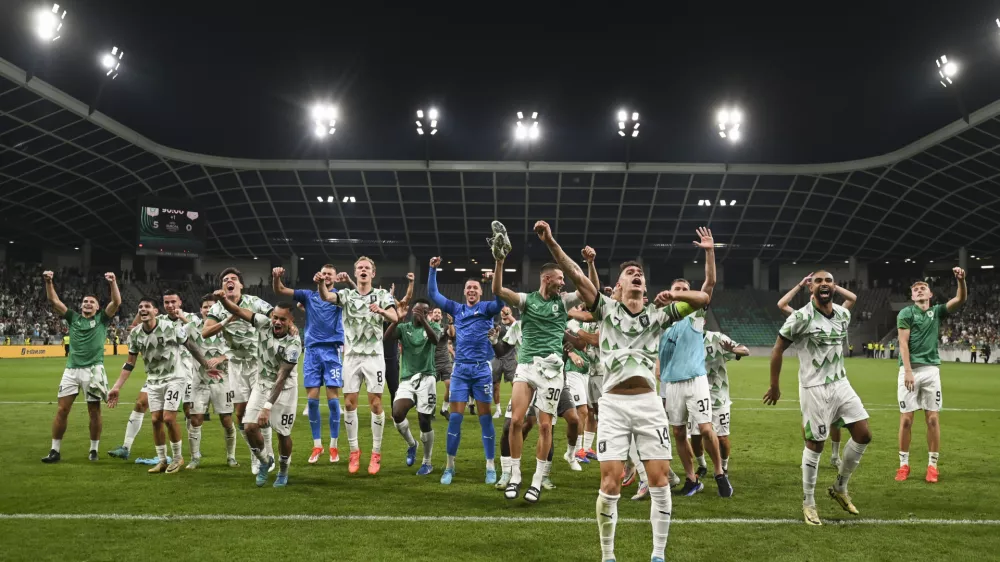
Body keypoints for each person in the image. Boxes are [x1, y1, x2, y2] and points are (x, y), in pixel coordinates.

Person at [592, 259, 709, 562]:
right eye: (630, 273)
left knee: (659, 480)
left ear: (645, 288)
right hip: (613, 405)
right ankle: (608, 556)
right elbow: (579, 278)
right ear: (618, 285)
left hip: (648, 403)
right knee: (610, 482)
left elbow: (703, 299)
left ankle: (658, 556)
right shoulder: (605, 309)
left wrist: (677, 296)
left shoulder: (658, 315)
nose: (637, 276)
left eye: (640, 274)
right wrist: (552, 242)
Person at [492, 221, 598, 503]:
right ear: (547, 278)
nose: (563, 282)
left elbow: (591, 291)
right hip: (526, 366)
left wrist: (589, 266)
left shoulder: (563, 303)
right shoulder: (527, 301)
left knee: (544, 426)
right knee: (515, 421)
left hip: (552, 372)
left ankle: (537, 482)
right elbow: (499, 289)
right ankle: (515, 476)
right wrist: (499, 260)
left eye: (564, 279)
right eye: (560, 278)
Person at [766, 270, 872, 526]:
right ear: (810, 288)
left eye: (828, 281)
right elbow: (778, 349)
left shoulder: (842, 315)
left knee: (863, 434)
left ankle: (839, 487)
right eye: (818, 281)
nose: (824, 284)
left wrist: (836, 290)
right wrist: (775, 386)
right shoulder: (800, 317)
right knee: (815, 445)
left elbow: (851, 300)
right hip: (814, 388)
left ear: (834, 286)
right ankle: (809, 503)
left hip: (841, 384)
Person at [657, 227, 732, 498]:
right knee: (678, 433)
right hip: (671, 383)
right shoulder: (661, 320)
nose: (681, 292)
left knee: (705, 427)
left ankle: (719, 472)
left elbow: (709, 284)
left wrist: (709, 251)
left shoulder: (696, 315)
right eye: (677, 289)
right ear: (668, 292)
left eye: (685, 290)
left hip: (696, 379)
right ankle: (691, 479)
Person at [108, 297, 216, 474]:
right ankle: (161, 460)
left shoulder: (171, 328)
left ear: (156, 311)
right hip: (153, 380)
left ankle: (177, 458)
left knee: (168, 417)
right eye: (140, 307)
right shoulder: (135, 334)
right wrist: (117, 386)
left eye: (147, 307)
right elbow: (130, 363)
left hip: (176, 377)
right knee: (155, 419)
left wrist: (205, 365)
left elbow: (190, 346)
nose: (143, 309)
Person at [427, 254, 503, 485]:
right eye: (468, 287)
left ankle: (490, 466)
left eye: (475, 288)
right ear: (464, 292)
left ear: (481, 292)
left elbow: (501, 302)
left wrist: (494, 281)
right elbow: (433, 294)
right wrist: (432, 270)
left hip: (481, 371)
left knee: (486, 420)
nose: (471, 290)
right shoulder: (456, 309)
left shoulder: (488, 308)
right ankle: (449, 466)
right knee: (455, 420)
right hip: (460, 370)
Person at [318, 257, 398, 475]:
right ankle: (354, 451)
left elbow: (395, 316)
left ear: (373, 273)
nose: (363, 270)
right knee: (350, 403)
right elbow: (326, 296)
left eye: (367, 268)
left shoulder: (382, 295)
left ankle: (376, 453)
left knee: (375, 404)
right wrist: (319, 283)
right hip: (352, 357)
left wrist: (382, 312)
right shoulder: (345, 295)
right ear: (355, 273)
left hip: (374, 357)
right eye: (360, 268)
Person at [212, 294, 302, 487]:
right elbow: (237, 310)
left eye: (282, 319)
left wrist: (267, 407)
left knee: (283, 433)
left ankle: (283, 470)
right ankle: (264, 461)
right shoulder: (262, 323)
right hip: (262, 384)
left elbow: (282, 377)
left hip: (285, 389)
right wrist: (221, 299)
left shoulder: (294, 344)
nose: (277, 321)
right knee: (250, 426)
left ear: (291, 321)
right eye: (275, 317)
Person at [778, 273, 857, 469]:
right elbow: (781, 305)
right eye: (817, 287)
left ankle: (834, 455)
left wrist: (832, 286)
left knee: (836, 422)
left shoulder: (837, 313)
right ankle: (811, 451)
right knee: (813, 425)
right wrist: (799, 284)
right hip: (813, 379)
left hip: (835, 378)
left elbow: (852, 299)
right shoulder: (803, 317)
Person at [41, 270, 121, 463]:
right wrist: (49, 282)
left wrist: (113, 283)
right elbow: (54, 302)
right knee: (62, 410)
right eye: (85, 301)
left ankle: (93, 449)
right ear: (81, 304)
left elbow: (116, 303)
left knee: (94, 411)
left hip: (93, 370)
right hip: (71, 370)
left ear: (98, 306)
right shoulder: (73, 318)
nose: (87, 303)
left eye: (92, 302)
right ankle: (55, 450)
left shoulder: (102, 319)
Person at [895, 269, 966, 484]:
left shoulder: (936, 311)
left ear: (930, 294)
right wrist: (907, 370)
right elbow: (903, 343)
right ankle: (903, 465)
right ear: (912, 296)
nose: (918, 290)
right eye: (915, 289)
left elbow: (960, 299)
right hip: (909, 371)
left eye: (922, 288)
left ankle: (932, 467)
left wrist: (961, 280)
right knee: (906, 420)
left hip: (931, 371)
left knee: (933, 419)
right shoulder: (906, 313)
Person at [202, 268, 274, 475]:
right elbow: (205, 332)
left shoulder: (255, 302)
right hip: (235, 366)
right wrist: (227, 320)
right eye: (225, 280)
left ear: (241, 285)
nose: (229, 281)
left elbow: (273, 315)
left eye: (233, 279)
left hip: (258, 363)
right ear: (223, 287)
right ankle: (256, 452)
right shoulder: (217, 309)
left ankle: (266, 454)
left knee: (258, 413)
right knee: (241, 414)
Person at [273, 264, 346, 464]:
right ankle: (317, 445)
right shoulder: (307, 295)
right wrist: (276, 276)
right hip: (312, 350)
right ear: (319, 276)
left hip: (333, 349)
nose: (327, 276)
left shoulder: (342, 296)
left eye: (330, 274)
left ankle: (333, 445)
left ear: (335, 278)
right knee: (312, 400)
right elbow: (280, 290)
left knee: (333, 399)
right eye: (324, 273)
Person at [385, 298, 442, 475]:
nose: (420, 314)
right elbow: (386, 339)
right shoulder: (404, 328)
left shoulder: (434, 327)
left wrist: (425, 321)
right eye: (417, 311)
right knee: (397, 413)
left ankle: (427, 462)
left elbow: (435, 340)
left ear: (428, 314)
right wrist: (397, 320)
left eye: (424, 312)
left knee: (424, 421)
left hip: (427, 378)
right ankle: (412, 444)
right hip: (407, 379)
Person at [184, 294, 238, 469]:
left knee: (226, 420)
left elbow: (238, 350)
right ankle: (195, 458)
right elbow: (173, 334)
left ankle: (231, 457)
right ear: (200, 310)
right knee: (195, 419)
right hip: (199, 382)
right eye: (205, 307)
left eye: (211, 307)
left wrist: (222, 357)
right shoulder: (191, 327)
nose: (208, 310)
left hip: (222, 381)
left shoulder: (227, 328)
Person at [491, 306, 518, 418]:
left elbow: (517, 325)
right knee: (495, 385)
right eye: (502, 311)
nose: (504, 313)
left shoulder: (514, 325)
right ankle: (498, 410)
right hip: (497, 358)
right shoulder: (496, 325)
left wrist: (509, 316)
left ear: (510, 313)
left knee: (516, 384)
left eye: (506, 311)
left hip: (510, 358)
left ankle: (517, 408)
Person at [430, 308, 456, 418]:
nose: (437, 314)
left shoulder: (445, 327)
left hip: (445, 361)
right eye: (435, 312)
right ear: (431, 315)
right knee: (430, 388)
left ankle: (444, 409)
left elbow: (452, 334)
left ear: (441, 316)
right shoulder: (428, 326)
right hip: (432, 361)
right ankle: (430, 411)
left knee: (450, 385)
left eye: (439, 313)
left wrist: (451, 322)